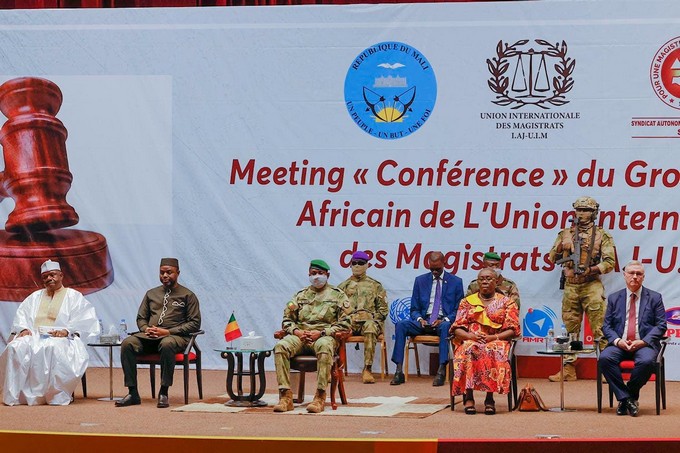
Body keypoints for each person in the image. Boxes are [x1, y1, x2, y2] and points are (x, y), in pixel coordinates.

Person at [0, 259, 99, 406]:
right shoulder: (34, 297)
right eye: (45, 277)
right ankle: (18, 395)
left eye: (52, 275)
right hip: (34, 336)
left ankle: (53, 396)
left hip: (62, 339)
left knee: (52, 348)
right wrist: (24, 329)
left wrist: (66, 331)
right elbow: (21, 317)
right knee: (16, 347)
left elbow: (84, 320)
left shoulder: (73, 296)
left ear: (61, 276)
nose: (49, 279)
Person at [116, 257, 201, 408]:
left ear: (178, 273)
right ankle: (133, 393)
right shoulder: (151, 294)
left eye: (169, 272)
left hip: (176, 338)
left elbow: (195, 323)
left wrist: (167, 332)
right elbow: (141, 318)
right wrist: (145, 329)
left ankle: (164, 392)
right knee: (127, 343)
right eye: (162, 273)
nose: (165, 276)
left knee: (167, 343)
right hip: (150, 337)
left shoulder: (188, 295)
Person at [547, 196, 615, 382]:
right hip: (571, 286)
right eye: (578, 209)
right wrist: (563, 245)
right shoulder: (565, 233)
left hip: (591, 285)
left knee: (600, 328)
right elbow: (552, 258)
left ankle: (606, 370)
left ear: (594, 213)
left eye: (585, 210)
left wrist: (591, 269)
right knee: (570, 329)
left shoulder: (602, 235)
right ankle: (568, 369)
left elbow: (610, 262)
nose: (581, 213)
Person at [273, 259, 351, 413]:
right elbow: (287, 320)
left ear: (327, 275)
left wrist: (322, 333)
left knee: (324, 345)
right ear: (309, 275)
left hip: (323, 336)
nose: (316, 277)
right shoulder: (300, 295)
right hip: (300, 337)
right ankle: (285, 397)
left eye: (320, 273)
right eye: (313, 274)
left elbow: (346, 324)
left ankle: (319, 397)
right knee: (280, 346)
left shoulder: (338, 296)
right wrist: (297, 332)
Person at [598, 260, 666, 417]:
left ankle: (627, 396)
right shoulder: (614, 298)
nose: (635, 277)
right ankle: (628, 399)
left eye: (639, 274)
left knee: (647, 361)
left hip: (644, 344)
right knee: (605, 358)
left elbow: (661, 326)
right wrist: (617, 341)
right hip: (619, 344)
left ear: (643, 277)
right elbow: (606, 326)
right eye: (631, 273)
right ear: (624, 275)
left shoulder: (655, 298)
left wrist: (643, 341)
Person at [450, 268, 520, 415]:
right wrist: (470, 336)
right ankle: (468, 397)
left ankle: (490, 399)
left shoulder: (506, 302)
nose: (485, 281)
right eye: (481, 279)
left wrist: (493, 338)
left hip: (496, 340)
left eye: (488, 278)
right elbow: (456, 328)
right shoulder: (467, 302)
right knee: (469, 349)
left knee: (492, 350)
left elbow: (513, 330)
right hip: (471, 339)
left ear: (496, 282)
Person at [390, 251, 464, 387]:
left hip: (442, 322)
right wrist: (419, 319)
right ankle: (399, 370)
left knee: (446, 327)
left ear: (444, 264)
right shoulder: (420, 281)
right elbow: (414, 309)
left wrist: (445, 319)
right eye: (432, 269)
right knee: (401, 325)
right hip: (424, 321)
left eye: (437, 269)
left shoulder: (456, 282)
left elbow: (458, 310)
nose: (435, 271)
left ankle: (441, 370)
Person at [337, 250, 388, 384]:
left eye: (361, 263)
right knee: (336, 331)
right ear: (350, 265)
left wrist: (371, 316)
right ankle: (336, 369)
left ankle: (367, 369)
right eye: (354, 263)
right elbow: (336, 309)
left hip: (369, 321)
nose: (357, 266)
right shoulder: (342, 287)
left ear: (367, 265)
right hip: (350, 321)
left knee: (370, 327)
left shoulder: (375, 285)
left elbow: (383, 310)